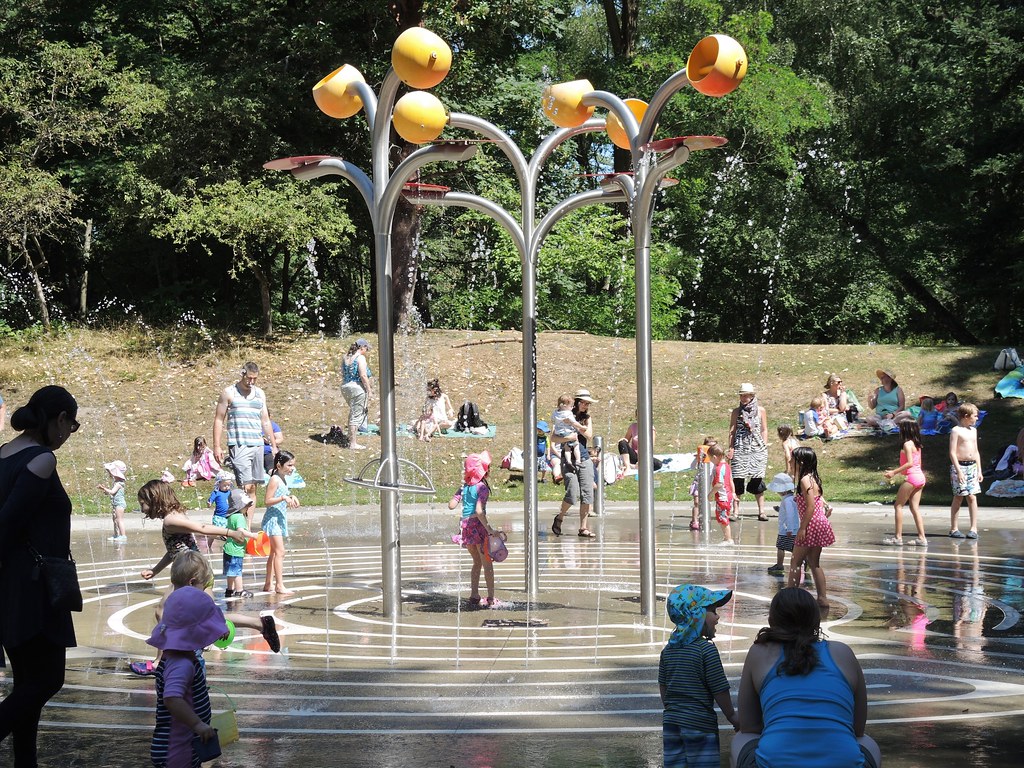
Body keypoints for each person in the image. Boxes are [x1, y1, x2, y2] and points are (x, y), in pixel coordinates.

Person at [0, 385, 80, 767]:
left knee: (27, 685)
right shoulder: (41, 459)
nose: (69, 433)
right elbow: (6, 526)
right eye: (71, 424)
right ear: (59, 419)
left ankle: (25, 763)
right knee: (47, 681)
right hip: (35, 587)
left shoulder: (2, 454)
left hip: (11, 586)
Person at [731, 588, 882, 768]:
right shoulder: (843, 652)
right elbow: (857, 728)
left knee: (741, 738)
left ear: (772, 621)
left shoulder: (760, 652)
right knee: (868, 743)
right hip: (844, 763)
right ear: (816, 621)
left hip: (776, 762)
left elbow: (749, 726)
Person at [146, 585, 226, 768]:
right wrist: (198, 724)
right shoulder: (181, 663)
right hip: (177, 750)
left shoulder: (178, 656)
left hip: (182, 745)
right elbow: (172, 698)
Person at [659, 584, 738, 768]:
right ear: (696, 615)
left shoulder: (668, 651)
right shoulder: (706, 650)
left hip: (672, 725)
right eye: (712, 611)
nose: (717, 617)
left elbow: (664, 688)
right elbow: (719, 689)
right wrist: (732, 716)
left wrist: (675, 711)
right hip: (700, 725)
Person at [138, 480, 245, 583]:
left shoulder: (170, 520)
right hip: (199, 571)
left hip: (190, 573)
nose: (142, 510)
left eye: (142, 504)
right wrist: (155, 570)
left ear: (155, 500)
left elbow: (201, 528)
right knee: (204, 601)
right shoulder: (176, 515)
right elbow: (174, 551)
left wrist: (230, 533)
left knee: (170, 601)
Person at [211, 362, 276, 524]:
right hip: (239, 444)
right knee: (244, 487)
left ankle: (246, 526)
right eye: (249, 378)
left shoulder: (260, 393)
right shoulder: (229, 392)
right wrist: (217, 446)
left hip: (258, 445)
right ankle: (236, 524)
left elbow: (266, 421)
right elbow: (219, 419)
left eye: (255, 379)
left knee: (253, 487)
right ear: (242, 374)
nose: (252, 382)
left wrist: (274, 445)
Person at [448, 451, 506, 609]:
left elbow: (451, 505)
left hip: (465, 527)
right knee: (487, 563)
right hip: (479, 528)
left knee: (476, 562)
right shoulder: (482, 488)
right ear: (483, 470)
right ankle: (491, 598)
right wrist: (490, 530)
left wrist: (459, 495)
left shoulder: (464, 487)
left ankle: (474, 595)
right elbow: (479, 511)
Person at [787, 446, 835, 608]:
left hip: (811, 525)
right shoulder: (813, 478)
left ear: (800, 462)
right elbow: (818, 499)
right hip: (819, 523)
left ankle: (790, 596)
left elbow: (810, 507)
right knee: (814, 563)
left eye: (792, 459)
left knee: (795, 562)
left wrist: (802, 528)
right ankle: (822, 598)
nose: (789, 461)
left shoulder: (804, 480)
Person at [551, 388, 598, 539]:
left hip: (584, 459)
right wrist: (568, 437)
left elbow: (589, 435)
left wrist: (576, 426)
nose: (586, 406)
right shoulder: (562, 415)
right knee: (572, 493)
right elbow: (553, 439)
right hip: (568, 459)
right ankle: (560, 517)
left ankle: (583, 528)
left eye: (588, 403)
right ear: (576, 402)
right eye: (584, 403)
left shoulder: (586, 418)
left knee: (587, 494)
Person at [882, 421, 928, 547]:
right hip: (920, 477)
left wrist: (893, 472)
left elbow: (909, 463)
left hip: (912, 477)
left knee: (898, 506)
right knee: (915, 508)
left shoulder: (907, 444)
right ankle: (922, 538)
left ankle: (898, 538)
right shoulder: (917, 445)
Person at [728, 383, 769, 522]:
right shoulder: (736, 412)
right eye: (742, 395)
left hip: (757, 448)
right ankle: (735, 511)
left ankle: (762, 511)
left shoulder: (761, 410)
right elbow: (732, 432)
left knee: (757, 479)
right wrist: (731, 448)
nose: (744, 398)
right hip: (740, 448)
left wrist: (764, 444)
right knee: (737, 479)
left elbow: (764, 429)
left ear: (752, 396)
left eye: (746, 395)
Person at [262, 450, 300, 595]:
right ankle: (279, 585)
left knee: (273, 553)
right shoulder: (275, 479)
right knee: (280, 552)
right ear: (279, 465)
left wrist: (291, 496)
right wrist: (284, 498)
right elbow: (267, 501)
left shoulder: (282, 478)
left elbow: (282, 495)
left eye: (293, 465)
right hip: (273, 520)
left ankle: (268, 583)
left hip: (279, 518)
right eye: (289, 465)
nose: (292, 468)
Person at [948, 403, 983, 540]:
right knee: (959, 496)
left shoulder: (973, 431)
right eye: (975, 416)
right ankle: (954, 528)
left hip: (972, 466)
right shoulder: (956, 431)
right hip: (960, 467)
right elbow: (952, 452)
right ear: (966, 416)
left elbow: (976, 451)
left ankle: (973, 528)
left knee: (972, 496)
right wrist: (958, 471)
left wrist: (979, 470)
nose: (977, 418)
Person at [222, 489, 258, 598]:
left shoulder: (231, 517)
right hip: (236, 550)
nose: (247, 507)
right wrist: (252, 535)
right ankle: (239, 590)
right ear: (239, 506)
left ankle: (229, 589)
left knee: (231, 572)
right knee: (237, 571)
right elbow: (240, 531)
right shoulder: (239, 517)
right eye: (246, 505)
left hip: (228, 548)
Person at [340, 339, 373, 450]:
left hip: (345, 387)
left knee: (353, 413)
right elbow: (363, 375)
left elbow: (343, 373)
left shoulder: (346, 357)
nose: (366, 351)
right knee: (356, 415)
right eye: (366, 348)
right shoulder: (360, 358)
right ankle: (353, 444)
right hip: (357, 388)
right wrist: (369, 390)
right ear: (362, 347)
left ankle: (350, 438)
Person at [767, 473, 799, 575]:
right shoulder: (791, 499)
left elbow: (790, 515)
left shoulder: (787, 501)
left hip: (786, 529)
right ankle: (803, 560)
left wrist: (789, 529)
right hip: (792, 528)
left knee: (781, 547)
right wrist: (780, 510)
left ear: (783, 491)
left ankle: (779, 564)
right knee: (793, 547)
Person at [617, 409, 663, 474]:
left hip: (645, 455)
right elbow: (626, 440)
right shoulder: (632, 427)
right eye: (638, 416)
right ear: (636, 416)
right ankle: (628, 466)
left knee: (658, 464)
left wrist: (643, 459)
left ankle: (635, 466)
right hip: (634, 455)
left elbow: (651, 447)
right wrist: (622, 441)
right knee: (622, 442)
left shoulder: (651, 428)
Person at [708, 445, 736, 546]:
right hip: (728, 496)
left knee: (722, 518)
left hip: (722, 497)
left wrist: (711, 494)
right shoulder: (726, 466)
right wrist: (733, 493)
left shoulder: (719, 469)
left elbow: (719, 484)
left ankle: (728, 539)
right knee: (723, 516)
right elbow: (730, 480)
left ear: (715, 457)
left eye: (711, 459)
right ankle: (727, 538)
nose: (711, 461)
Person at [688, 437, 717, 531]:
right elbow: (692, 467)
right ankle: (694, 521)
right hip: (699, 482)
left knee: (706, 503)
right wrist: (697, 459)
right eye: (709, 446)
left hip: (709, 484)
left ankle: (705, 520)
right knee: (697, 502)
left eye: (713, 446)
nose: (711, 449)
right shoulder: (701, 456)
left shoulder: (715, 458)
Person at [551, 394, 585, 471]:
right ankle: (578, 460)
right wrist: (582, 427)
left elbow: (552, 419)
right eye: (571, 406)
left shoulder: (555, 412)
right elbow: (574, 423)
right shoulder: (568, 413)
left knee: (567, 448)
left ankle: (568, 461)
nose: (572, 407)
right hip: (567, 432)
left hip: (559, 432)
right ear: (565, 406)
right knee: (576, 446)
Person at [98, 459, 128, 542]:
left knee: (119, 519)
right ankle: (116, 535)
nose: (109, 474)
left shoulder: (119, 483)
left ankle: (123, 535)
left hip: (119, 504)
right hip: (116, 503)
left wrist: (104, 488)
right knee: (115, 519)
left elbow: (112, 492)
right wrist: (105, 491)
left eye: (110, 472)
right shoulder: (116, 482)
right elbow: (112, 493)